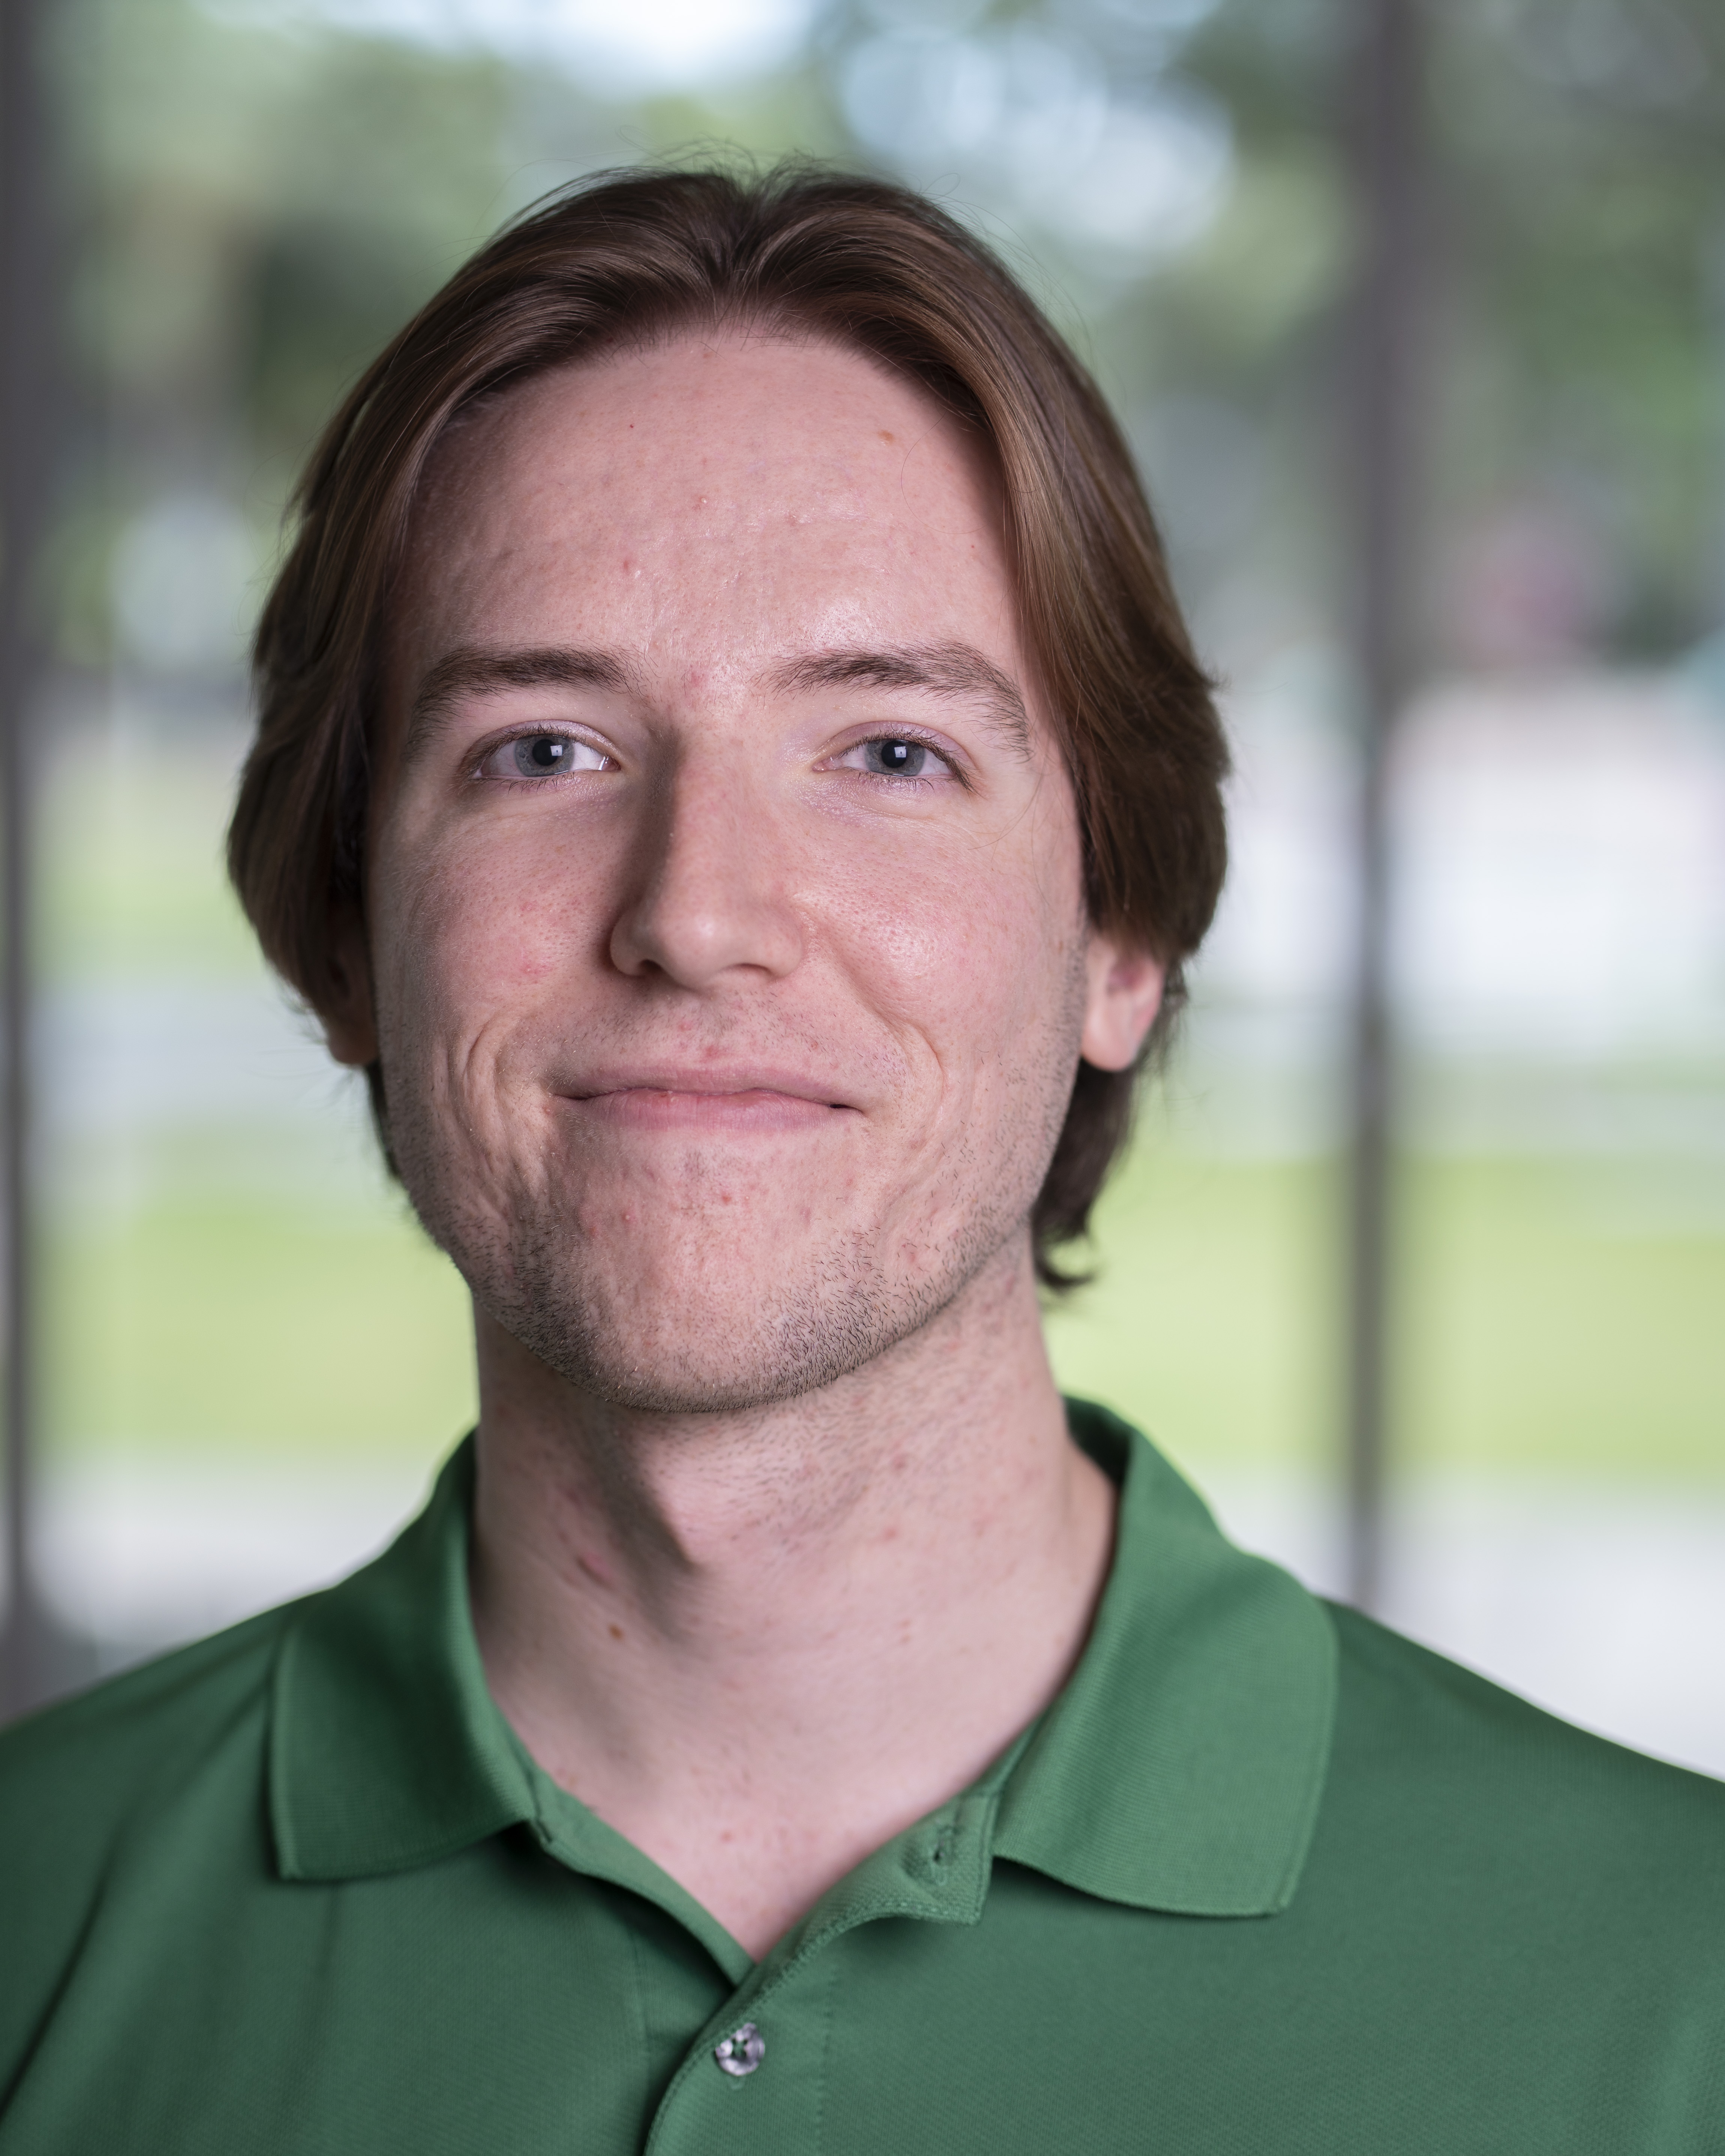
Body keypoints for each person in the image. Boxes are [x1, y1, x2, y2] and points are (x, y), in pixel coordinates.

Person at [1, 164, 1721, 2156]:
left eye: (893, 750)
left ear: (1121, 938)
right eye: (544, 747)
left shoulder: (1679, 2000)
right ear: (341, 932)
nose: (702, 912)